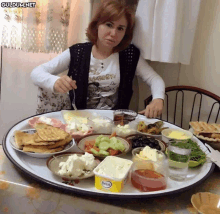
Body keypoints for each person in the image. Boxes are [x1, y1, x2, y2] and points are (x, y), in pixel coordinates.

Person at [31, 0, 165, 118]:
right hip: (79, 122)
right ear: (97, 25)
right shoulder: (78, 52)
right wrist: (55, 81)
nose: (113, 34)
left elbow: (155, 79)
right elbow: (36, 73)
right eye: (108, 25)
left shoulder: (129, 54)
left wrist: (158, 99)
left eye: (120, 28)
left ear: (125, 33)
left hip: (115, 124)